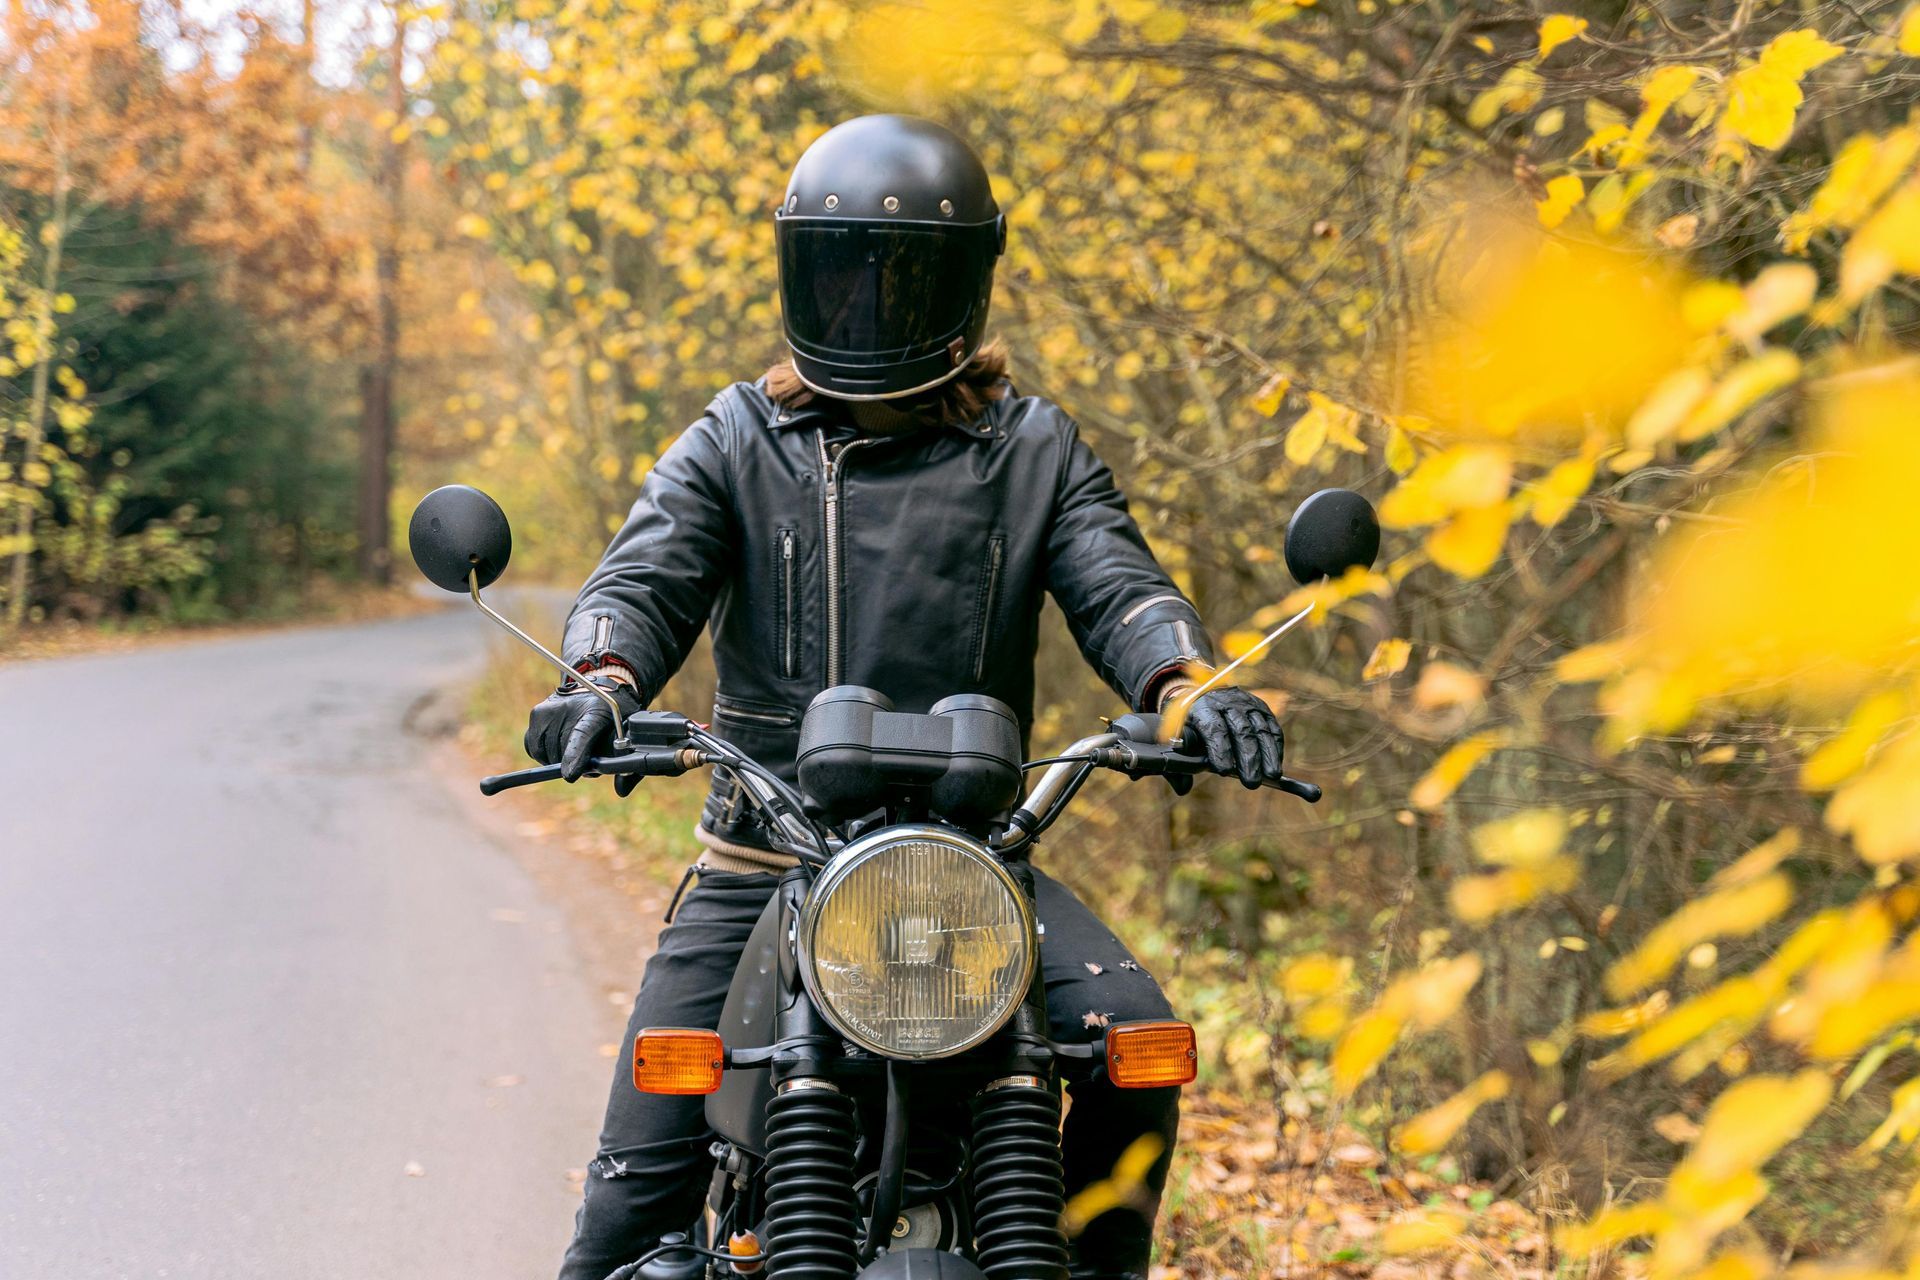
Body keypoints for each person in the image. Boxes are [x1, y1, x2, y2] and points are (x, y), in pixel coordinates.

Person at [529, 114, 1288, 1280]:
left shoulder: (1035, 448)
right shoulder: (737, 437)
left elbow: (1117, 581)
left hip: (977, 860)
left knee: (1140, 1050)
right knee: (632, 1195)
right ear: (796, 272)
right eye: (839, 273)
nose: (867, 305)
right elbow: (646, 574)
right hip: (768, 856)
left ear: (965, 284)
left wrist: (1189, 685)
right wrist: (601, 679)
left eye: (902, 276)